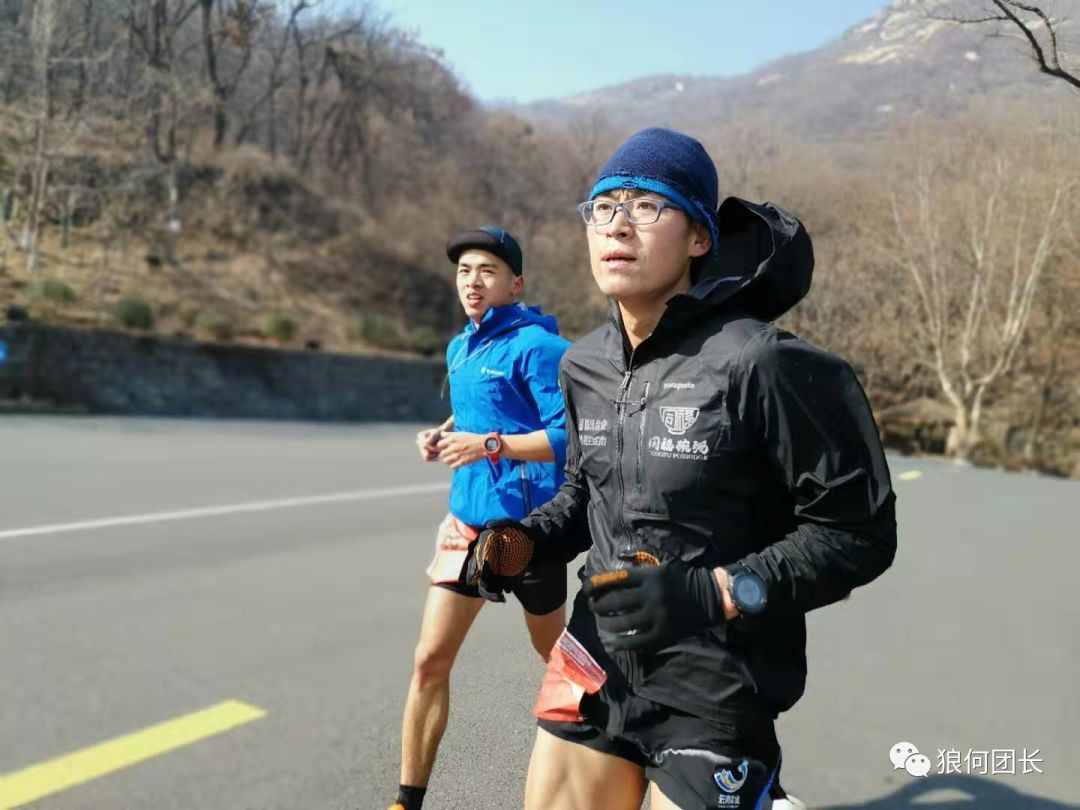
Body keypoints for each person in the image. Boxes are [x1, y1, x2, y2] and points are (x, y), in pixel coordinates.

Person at [468, 128, 897, 810]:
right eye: (602, 207)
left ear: (700, 238)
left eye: (646, 206)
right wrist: (527, 539)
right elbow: (586, 492)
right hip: (594, 656)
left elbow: (858, 533)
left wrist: (716, 592)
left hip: (718, 682)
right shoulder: (583, 365)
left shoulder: (762, 363)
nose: (618, 225)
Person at [389, 226, 571, 810]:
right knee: (428, 661)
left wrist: (489, 445)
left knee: (559, 664)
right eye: (465, 270)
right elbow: (475, 409)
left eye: (488, 270)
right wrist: (441, 435)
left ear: (515, 284)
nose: (473, 280)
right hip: (467, 525)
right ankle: (406, 801)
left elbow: (570, 436)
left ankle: (620, 756)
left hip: (527, 532)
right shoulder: (460, 346)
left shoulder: (541, 349)